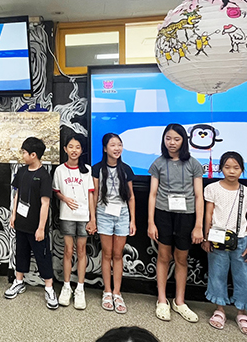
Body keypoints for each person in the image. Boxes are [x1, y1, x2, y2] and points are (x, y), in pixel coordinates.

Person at [147, 123, 204, 323]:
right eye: (168, 138)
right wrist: (151, 222)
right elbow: (152, 194)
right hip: (163, 214)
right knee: (163, 256)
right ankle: (162, 300)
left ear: (184, 141)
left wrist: (199, 225)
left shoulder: (194, 164)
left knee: (181, 258)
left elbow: (199, 196)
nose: (172, 143)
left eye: (177, 139)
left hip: (186, 216)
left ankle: (179, 301)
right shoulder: (158, 163)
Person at [202, 151, 247, 336]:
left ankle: (242, 313)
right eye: (227, 167)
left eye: (236, 167)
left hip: (241, 240)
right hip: (217, 239)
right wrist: (206, 238)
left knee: (244, 277)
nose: (232, 171)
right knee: (217, 274)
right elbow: (208, 214)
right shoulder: (212, 189)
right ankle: (219, 309)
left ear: (242, 169)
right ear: (221, 168)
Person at [4, 137, 58, 310]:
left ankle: (49, 288)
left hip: (37, 227)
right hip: (21, 223)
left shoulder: (44, 176)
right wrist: (13, 215)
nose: (22, 155)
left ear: (33, 155)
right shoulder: (21, 172)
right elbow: (17, 194)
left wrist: (41, 228)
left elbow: (45, 203)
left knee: (43, 256)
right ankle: (19, 281)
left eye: (24, 153)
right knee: (21, 253)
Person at [88, 133, 136, 313]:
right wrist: (93, 218)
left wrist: (132, 220)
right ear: (105, 148)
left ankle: (117, 292)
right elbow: (94, 195)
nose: (117, 148)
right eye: (113, 145)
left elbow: (131, 197)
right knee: (106, 254)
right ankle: (107, 291)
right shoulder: (97, 169)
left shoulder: (126, 169)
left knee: (118, 254)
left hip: (122, 213)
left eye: (119, 144)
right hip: (104, 212)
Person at [52, 134, 94, 309]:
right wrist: (65, 198)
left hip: (83, 216)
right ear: (65, 149)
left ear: (82, 150)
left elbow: (91, 195)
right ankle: (66, 286)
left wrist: (92, 219)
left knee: (82, 251)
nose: (74, 150)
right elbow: (56, 191)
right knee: (68, 251)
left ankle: (80, 288)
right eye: (71, 146)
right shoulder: (60, 170)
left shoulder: (87, 170)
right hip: (67, 215)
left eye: (77, 147)